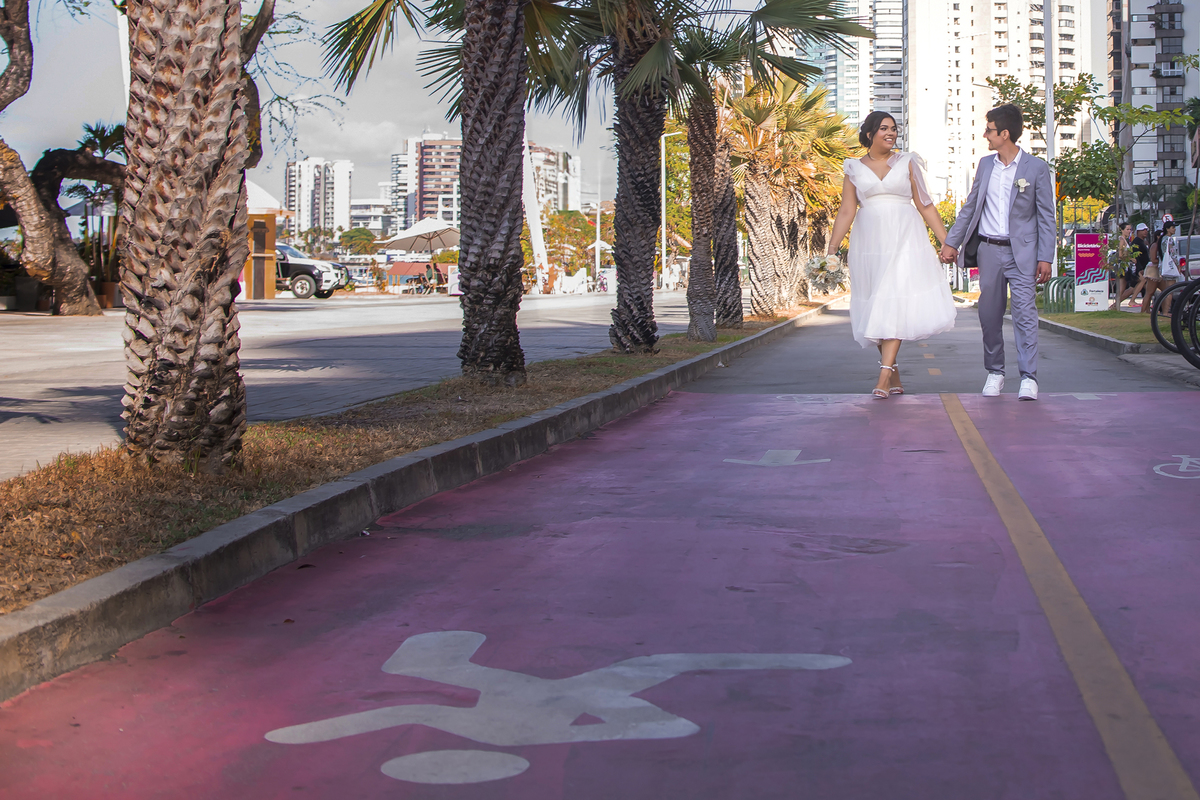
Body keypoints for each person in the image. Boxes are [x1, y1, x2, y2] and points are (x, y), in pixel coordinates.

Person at [825, 111, 957, 399]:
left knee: (892, 299)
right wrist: (832, 249)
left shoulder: (908, 162)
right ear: (870, 134)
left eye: (894, 129)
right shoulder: (853, 168)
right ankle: (894, 372)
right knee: (876, 304)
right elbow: (847, 210)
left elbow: (926, 205)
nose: (891, 133)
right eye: (884, 128)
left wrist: (948, 241)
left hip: (906, 237)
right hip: (869, 243)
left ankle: (884, 376)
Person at [940, 104, 1056, 401]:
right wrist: (952, 242)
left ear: (1005, 134)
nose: (985, 135)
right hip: (989, 251)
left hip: (1024, 255)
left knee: (1025, 315)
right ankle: (995, 372)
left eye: (989, 130)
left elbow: (1046, 217)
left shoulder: (1036, 168)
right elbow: (971, 207)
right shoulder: (985, 165)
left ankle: (1029, 377)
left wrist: (1046, 257)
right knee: (989, 315)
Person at [1146, 220, 1181, 314]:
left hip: (1164, 266)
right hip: (1170, 267)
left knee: (1167, 290)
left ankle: (1165, 310)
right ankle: (1166, 311)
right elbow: (1172, 254)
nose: (1174, 229)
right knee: (1170, 290)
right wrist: (1177, 265)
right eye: (1173, 228)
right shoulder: (1169, 239)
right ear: (1167, 229)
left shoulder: (1162, 239)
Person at [1122, 223, 1151, 308]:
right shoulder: (1136, 242)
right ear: (1138, 232)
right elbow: (1135, 257)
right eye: (1143, 230)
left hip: (1144, 270)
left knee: (1146, 289)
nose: (1145, 232)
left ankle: (1146, 308)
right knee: (1133, 288)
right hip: (1138, 270)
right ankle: (1131, 301)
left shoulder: (1142, 242)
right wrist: (1139, 269)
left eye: (1146, 230)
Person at [1109, 222, 1132, 311]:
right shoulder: (1121, 239)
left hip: (1125, 265)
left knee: (1123, 286)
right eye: (1127, 229)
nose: (1129, 231)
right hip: (1122, 265)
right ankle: (1115, 306)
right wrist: (1130, 258)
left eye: (1130, 229)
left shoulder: (1126, 240)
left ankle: (1115, 305)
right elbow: (1120, 254)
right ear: (1122, 230)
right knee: (1122, 287)